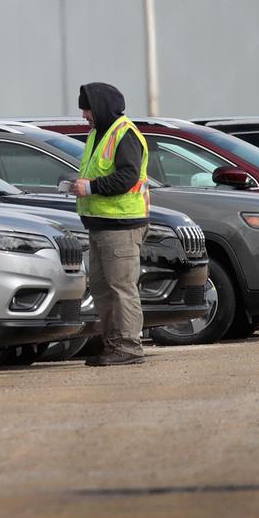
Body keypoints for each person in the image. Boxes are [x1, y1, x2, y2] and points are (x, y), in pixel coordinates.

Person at [60, 82, 150, 366]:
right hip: (102, 224)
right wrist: (79, 186)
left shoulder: (124, 134)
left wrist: (92, 188)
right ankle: (114, 345)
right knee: (103, 287)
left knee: (121, 287)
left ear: (99, 106)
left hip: (121, 224)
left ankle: (128, 347)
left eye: (86, 109)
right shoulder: (99, 133)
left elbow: (127, 177)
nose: (84, 115)